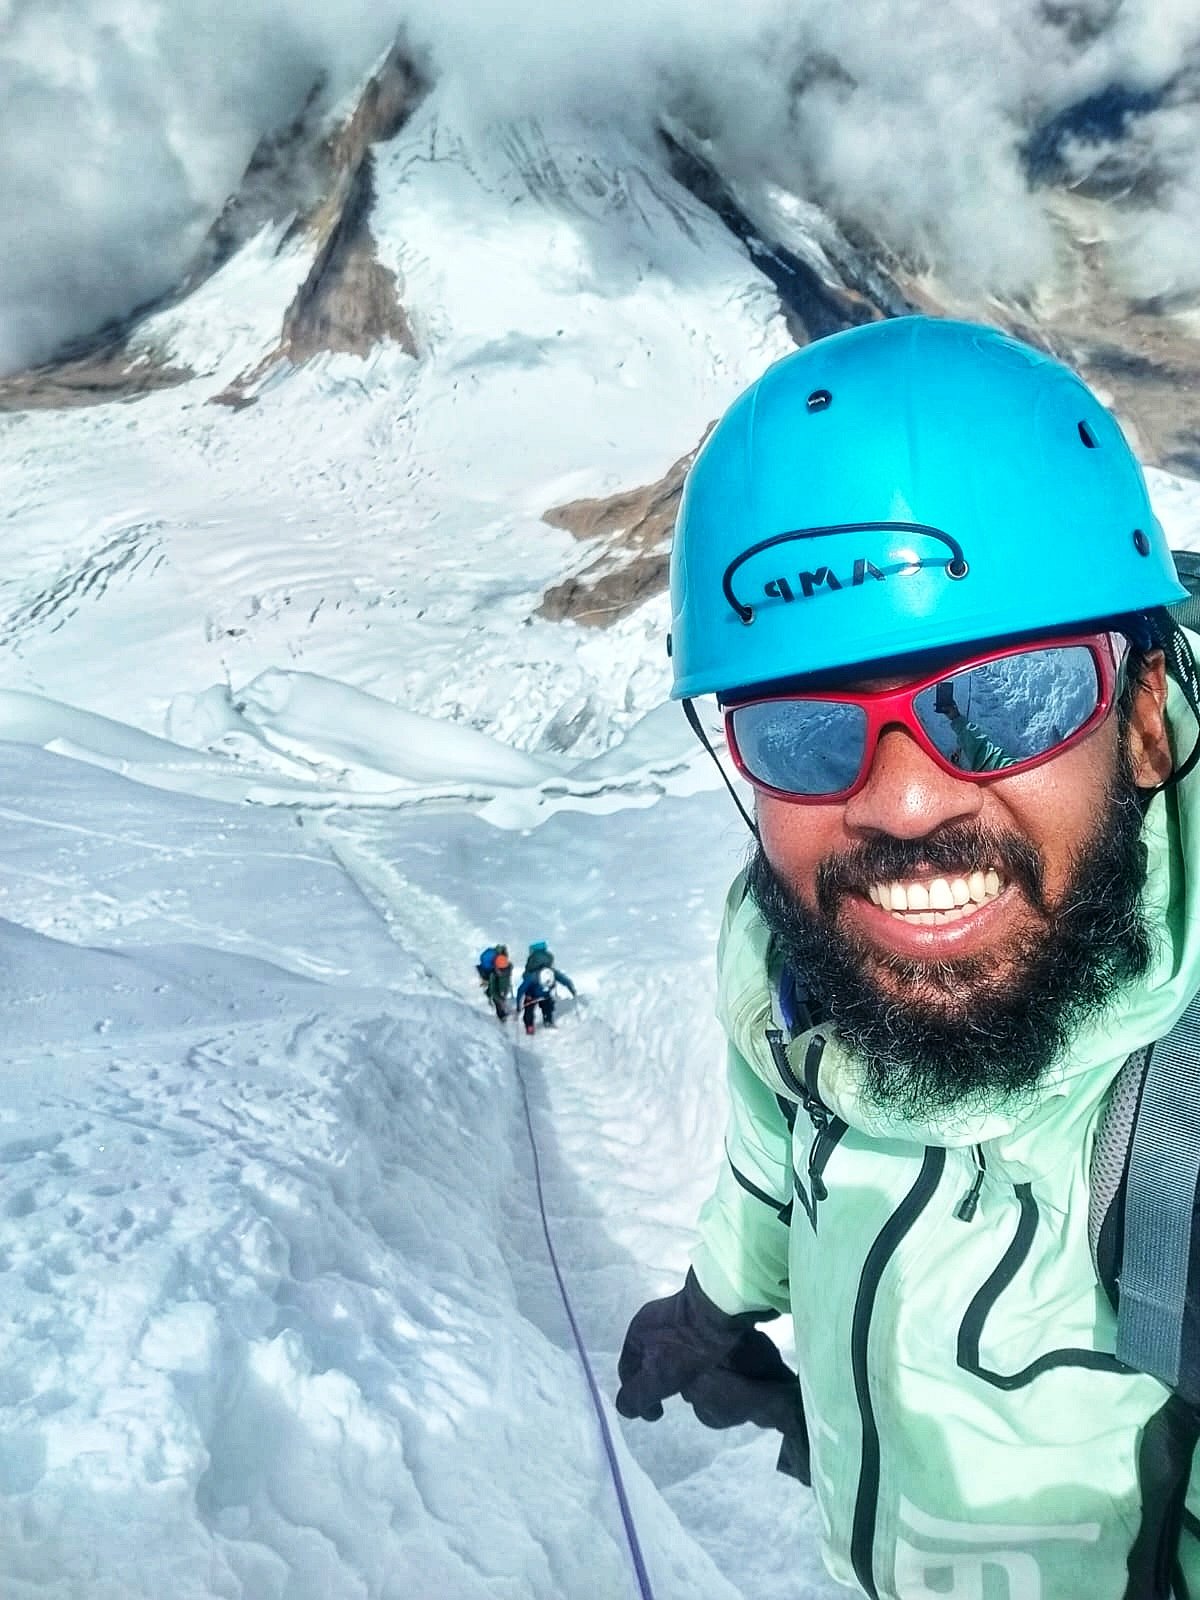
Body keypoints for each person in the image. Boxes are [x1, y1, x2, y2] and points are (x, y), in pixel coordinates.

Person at [615, 316, 1200, 1597]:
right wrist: (716, 1304)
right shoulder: (790, 959)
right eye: (809, 729)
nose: (902, 802)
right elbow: (784, 1140)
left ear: (1144, 719)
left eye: (1005, 695)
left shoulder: (1185, 1132)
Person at [517, 941, 576, 1035]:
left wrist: (518, 1006)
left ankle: (529, 1026)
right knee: (547, 1007)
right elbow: (565, 980)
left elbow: (521, 990)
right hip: (545, 994)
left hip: (531, 995)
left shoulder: (532, 976)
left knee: (529, 1010)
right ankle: (548, 1021)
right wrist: (572, 990)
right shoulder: (551, 972)